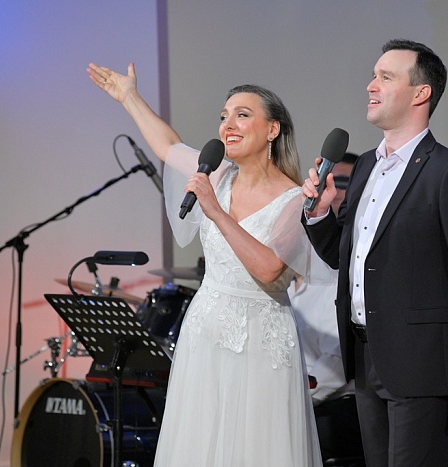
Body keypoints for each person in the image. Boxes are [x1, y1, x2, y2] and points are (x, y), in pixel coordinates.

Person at [87, 63, 322, 466]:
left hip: (261, 339)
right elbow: (167, 146)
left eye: (242, 115)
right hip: (205, 332)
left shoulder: (295, 198)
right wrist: (130, 98)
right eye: (224, 116)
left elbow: (270, 270)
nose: (228, 125)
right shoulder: (219, 174)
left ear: (272, 129)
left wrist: (216, 211)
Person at [300, 39, 448, 467]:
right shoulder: (366, 166)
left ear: (420, 93)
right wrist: (318, 215)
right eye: (373, 76)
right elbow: (347, 258)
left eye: (385, 77)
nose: (371, 86)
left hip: (421, 361)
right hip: (366, 355)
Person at [289, 153, 365, 463]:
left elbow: (336, 366)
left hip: (331, 404)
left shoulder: (341, 275)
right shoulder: (289, 285)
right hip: (298, 397)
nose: (330, 190)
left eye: (343, 182)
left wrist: (289, 399)